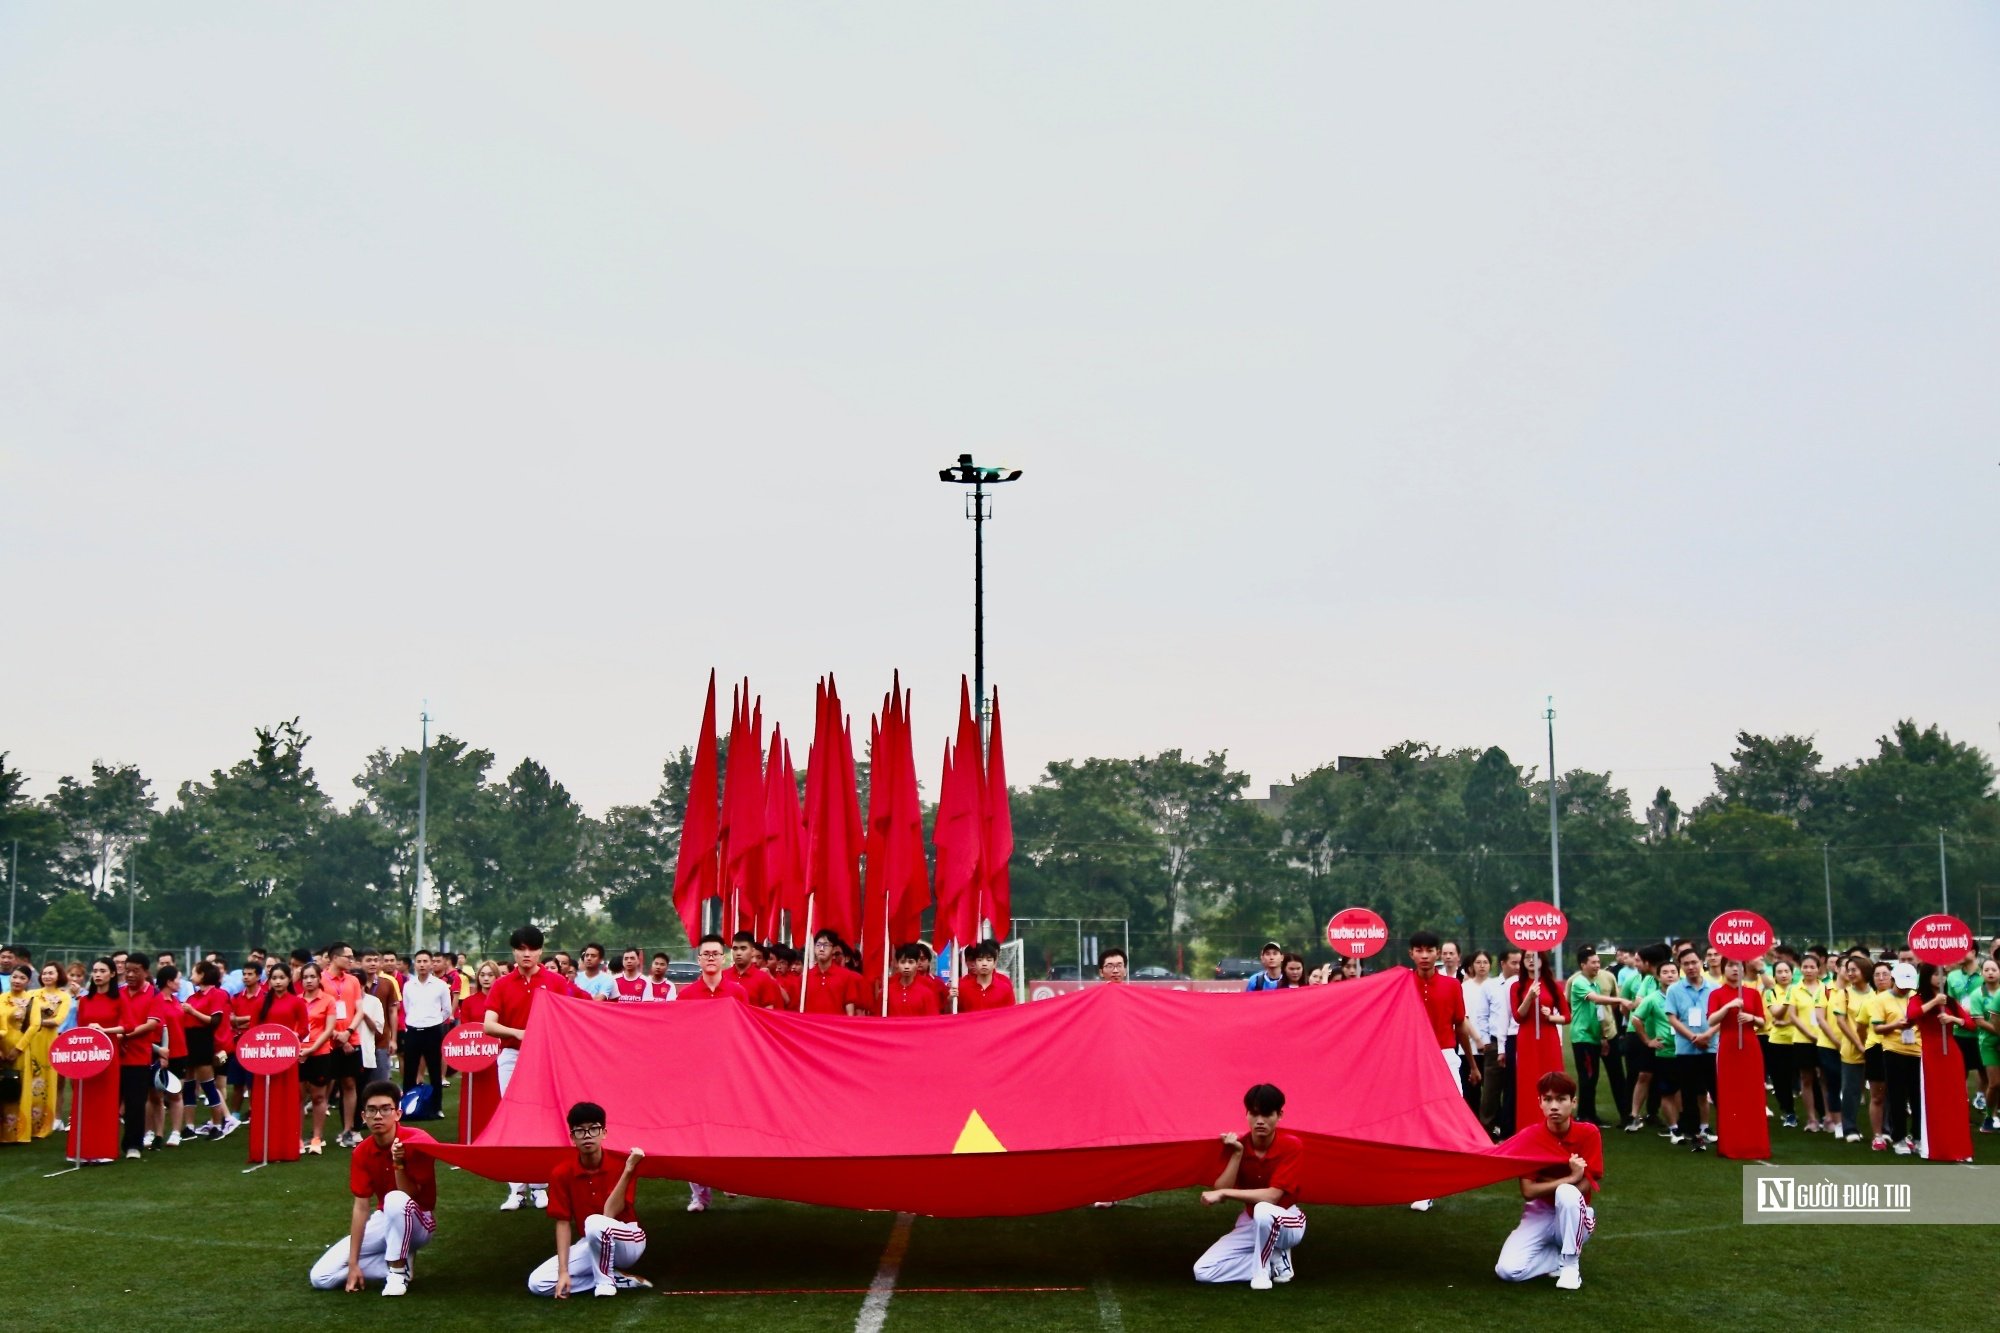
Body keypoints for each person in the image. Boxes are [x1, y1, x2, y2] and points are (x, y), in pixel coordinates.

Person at [308, 1080, 439, 1296]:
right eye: (372, 1110)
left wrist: (399, 1163)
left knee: (394, 1200)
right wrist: (352, 1265)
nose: (378, 1116)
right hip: (386, 1215)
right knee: (321, 1277)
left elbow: (412, 1195)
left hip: (420, 1220)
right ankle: (399, 1263)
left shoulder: (418, 1140)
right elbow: (361, 1208)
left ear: (398, 1113)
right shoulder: (361, 1152)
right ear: (363, 1116)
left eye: (385, 1109)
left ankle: (397, 1273)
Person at [527, 1102, 652, 1298]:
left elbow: (610, 1213)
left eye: (593, 1129)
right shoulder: (561, 1173)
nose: (587, 1135)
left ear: (604, 1133)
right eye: (579, 1131)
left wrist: (628, 1170)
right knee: (538, 1283)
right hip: (593, 1239)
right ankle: (617, 1278)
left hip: (628, 1239)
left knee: (595, 1222)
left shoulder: (622, 1164)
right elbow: (562, 1223)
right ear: (572, 1138)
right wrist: (563, 1273)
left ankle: (605, 1283)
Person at [1493, 1071, 1600, 1291]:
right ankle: (1557, 1258)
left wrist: (1566, 1184)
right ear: (1539, 1103)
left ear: (1573, 1102)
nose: (1554, 1106)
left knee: (1567, 1194)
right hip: (1538, 1213)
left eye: (1561, 1099)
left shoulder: (1589, 1133)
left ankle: (1570, 1266)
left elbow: (1586, 1185)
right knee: (1507, 1271)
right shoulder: (1529, 1137)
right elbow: (1528, 1191)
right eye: (1548, 1099)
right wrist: (1570, 1177)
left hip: (1573, 1215)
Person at [1192, 1083, 1306, 1290]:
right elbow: (1221, 1188)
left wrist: (1224, 1193)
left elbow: (1272, 1197)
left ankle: (1264, 1270)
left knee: (1264, 1209)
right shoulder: (1237, 1144)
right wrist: (1236, 1154)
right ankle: (1272, 1261)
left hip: (1288, 1221)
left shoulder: (1292, 1145)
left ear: (1280, 1115)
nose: (1260, 1121)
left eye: (1267, 1114)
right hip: (1253, 1222)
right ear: (1246, 1115)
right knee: (1203, 1271)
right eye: (1254, 1114)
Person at [485, 926, 562, 1210]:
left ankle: (541, 1185)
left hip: (546, 1057)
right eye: (520, 949)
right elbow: (488, 1025)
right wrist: (518, 1033)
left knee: (543, 1119)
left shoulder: (554, 981)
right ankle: (516, 1189)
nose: (526, 954)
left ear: (540, 951)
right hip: (511, 1056)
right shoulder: (502, 984)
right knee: (513, 1119)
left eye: (531, 948)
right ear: (514, 951)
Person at [1405, 930, 1481, 1212]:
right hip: (1411, 1058)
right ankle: (1424, 1184)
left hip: (1446, 1056)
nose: (1424, 955)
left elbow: (1460, 1024)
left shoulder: (1452, 986)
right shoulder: (1402, 983)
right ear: (1411, 954)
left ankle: (1443, 1175)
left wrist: (1472, 1064)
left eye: (1429, 950)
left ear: (1437, 953)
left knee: (1449, 1117)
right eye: (1419, 950)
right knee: (1416, 1119)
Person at [1907, 961, 1972, 1162]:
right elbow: (1911, 1016)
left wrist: (1953, 1020)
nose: (1940, 978)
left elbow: (1970, 1024)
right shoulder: (1918, 999)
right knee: (1933, 1099)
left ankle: (1960, 1148)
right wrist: (1935, 1003)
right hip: (1930, 1053)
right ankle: (1932, 1147)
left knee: (1956, 1099)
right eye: (1936, 974)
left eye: (1943, 974)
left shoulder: (1950, 1001)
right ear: (1927, 977)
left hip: (1951, 1053)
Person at [1708, 957, 1769, 1159]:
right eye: (1731, 966)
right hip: (1728, 1046)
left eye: (1738, 966)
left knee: (1752, 1094)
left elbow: (1763, 1022)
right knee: (1729, 1094)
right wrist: (1728, 1007)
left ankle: (1755, 1144)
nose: (1735, 969)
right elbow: (1711, 1020)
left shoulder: (1752, 993)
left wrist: (1752, 1018)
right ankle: (1730, 1144)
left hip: (1751, 1046)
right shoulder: (1716, 993)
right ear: (1724, 969)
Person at [247, 962, 308, 1166]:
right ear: (269, 980)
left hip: (286, 1059)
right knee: (264, 1103)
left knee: (286, 1103)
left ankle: (285, 1150)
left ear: (289, 979)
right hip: (264, 1059)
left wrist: (290, 1038)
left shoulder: (297, 1002)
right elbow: (253, 1031)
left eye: (282, 978)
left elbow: (304, 1029)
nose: (278, 982)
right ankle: (262, 1150)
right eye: (274, 978)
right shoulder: (260, 1003)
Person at [1510, 950, 1567, 1145]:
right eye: (1527, 958)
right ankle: (1527, 1132)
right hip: (1527, 1040)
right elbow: (1518, 1016)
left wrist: (1550, 1016)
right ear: (1523, 962)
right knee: (1528, 1083)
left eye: (1535, 957)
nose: (1531, 961)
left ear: (1542, 960)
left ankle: (1556, 1129)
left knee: (1553, 1082)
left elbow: (1567, 1017)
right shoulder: (1517, 986)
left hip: (1548, 1039)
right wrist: (1529, 998)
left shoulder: (1553, 986)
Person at [68, 959, 122, 1163]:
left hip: (109, 1054)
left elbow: (126, 1026)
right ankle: (80, 1150)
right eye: (95, 971)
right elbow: (79, 1028)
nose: (98, 974)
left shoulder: (119, 999)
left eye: (103, 971)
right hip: (87, 1055)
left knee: (105, 1103)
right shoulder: (84, 1000)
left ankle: (104, 1150)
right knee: (84, 1102)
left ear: (112, 974)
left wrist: (104, 1030)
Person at [1665, 948, 1719, 1150]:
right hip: (1686, 1050)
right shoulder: (1674, 990)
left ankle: (1721, 1132)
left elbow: (1722, 1018)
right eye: (1686, 963)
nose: (1691, 967)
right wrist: (1693, 1037)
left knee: (1715, 1092)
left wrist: (1707, 1035)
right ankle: (1695, 1135)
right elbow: (1672, 1017)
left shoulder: (1714, 988)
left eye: (1694, 962)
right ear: (1681, 967)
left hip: (1711, 1048)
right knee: (1688, 1094)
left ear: (1701, 962)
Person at [112, 954, 162, 1160]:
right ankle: (106, 1144)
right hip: (115, 1057)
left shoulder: (154, 994)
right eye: (127, 970)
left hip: (139, 1058)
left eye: (136, 971)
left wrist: (125, 1034)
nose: (130, 975)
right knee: (111, 1102)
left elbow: (151, 1024)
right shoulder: (118, 993)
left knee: (135, 1103)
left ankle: (134, 1144)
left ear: (146, 972)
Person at [178, 960, 233, 1139]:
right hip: (191, 1040)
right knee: (188, 1085)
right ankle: (189, 1126)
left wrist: (193, 1012)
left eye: (194, 973)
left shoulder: (218, 994)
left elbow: (214, 1021)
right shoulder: (193, 997)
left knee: (208, 1084)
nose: (191, 976)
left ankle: (217, 1125)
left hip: (206, 1041)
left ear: (202, 975)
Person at [1564, 948, 1618, 1126]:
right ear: (1583, 965)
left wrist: (1603, 1036)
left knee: (1592, 1077)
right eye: (1593, 962)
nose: (1597, 965)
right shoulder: (1579, 982)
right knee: (1587, 1077)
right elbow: (1597, 1000)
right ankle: (1583, 1116)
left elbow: (1599, 1013)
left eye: (1598, 962)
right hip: (1582, 1038)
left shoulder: (1593, 983)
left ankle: (1590, 1115)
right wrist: (1621, 1001)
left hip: (1593, 1037)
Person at [1871, 961, 1921, 1153]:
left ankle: (1917, 1136)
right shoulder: (1881, 1000)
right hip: (1893, 1051)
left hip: (1916, 1050)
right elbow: (1877, 1027)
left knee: (1917, 1096)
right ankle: (1898, 1137)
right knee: (1897, 1096)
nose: (1905, 988)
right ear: (1893, 980)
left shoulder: (1916, 997)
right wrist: (1896, 1026)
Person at [320, 943, 365, 1149]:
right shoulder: (320, 979)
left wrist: (348, 1033)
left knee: (349, 1084)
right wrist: (337, 1035)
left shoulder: (353, 980)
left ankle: (348, 1129)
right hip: (325, 1041)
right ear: (334, 958)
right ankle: (316, 1134)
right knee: (319, 1087)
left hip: (349, 1040)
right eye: (348, 956)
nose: (351, 960)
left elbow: (359, 1010)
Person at [1628, 958, 1679, 1136]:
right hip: (1663, 1050)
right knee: (1654, 1081)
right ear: (1658, 977)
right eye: (1665, 972)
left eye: (1673, 972)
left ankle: (1681, 1123)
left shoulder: (1685, 995)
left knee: (1684, 1088)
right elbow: (1636, 1018)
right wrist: (1648, 1040)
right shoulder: (1653, 998)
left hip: (1685, 1049)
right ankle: (1635, 1116)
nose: (1670, 975)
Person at [22, 962, 72, 1139]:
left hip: (49, 1042)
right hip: (30, 1040)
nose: (47, 976)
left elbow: (58, 1020)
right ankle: (25, 1123)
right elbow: (22, 1017)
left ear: (59, 975)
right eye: (44, 973)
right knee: (28, 1080)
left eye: (51, 973)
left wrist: (36, 1022)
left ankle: (44, 1124)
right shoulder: (31, 994)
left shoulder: (64, 997)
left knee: (47, 1082)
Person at [456, 961, 503, 1144]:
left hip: (497, 1058)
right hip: (474, 1056)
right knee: (473, 1099)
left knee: (495, 1097)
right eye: (482, 974)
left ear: (496, 977)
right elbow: (463, 1030)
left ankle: (495, 1137)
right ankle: (471, 1136)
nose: (486, 978)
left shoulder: (502, 999)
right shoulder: (469, 1002)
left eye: (490, 975)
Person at [1477, 949, 1520, 1136]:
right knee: (1491, 1092)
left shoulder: (1524, 986)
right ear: (1503, 963)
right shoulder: (1491, 986)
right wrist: (1486, 1043)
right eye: (1513, 963)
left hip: (1517, 1043)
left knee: (1514, 1089)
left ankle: (1511, 1129)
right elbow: (1482, 1016)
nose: (1518, 967)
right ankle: (1485, 1132)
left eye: (1520, 963)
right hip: (1494, 1045)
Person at [400, 950, 453, 1099]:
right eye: (419, 961)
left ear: (431, 964)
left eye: (425, 961)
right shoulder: (408, 986)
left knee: (435, 1071)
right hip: (412, 1031)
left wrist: (433, 1021)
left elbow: (447, 1010)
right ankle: (408, 1106)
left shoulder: (441, 985)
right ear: (415, 964)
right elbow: (407, 1007)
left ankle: (436, 1106)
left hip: (433, 1032)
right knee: (410, 1071)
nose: (422, 965)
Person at [802, 931, 864, 1015]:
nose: (821, 949)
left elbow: (850, 1008)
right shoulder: (805, 976)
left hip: (835, 1026)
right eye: (818, 945)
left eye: (826, 945)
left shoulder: (846, 976)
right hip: (811, 1026)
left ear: (834, 949)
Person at [1971, 956, 2000, 1133]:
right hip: (1988, 1043)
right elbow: (1979, 1021)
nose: (1990, 973)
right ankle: (1989, 1117)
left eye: (1994, 969)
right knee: (1995, 1083)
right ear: (1981, 973)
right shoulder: (1977, 994)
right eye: (1986, 970)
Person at [881, 943, 943, 1016]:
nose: (906, 966)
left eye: (911, 962)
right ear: (897, 964)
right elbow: (878, 1019)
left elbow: (932, 1020)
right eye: (902, 962)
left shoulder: (927, 993)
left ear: (917, 964)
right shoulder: (886, 992)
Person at [955, 940, 1016, 1012]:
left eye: (989, 960)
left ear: (995, 963)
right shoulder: (962, 988)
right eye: (980, 960)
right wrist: (950, 1000)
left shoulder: (1005, 989)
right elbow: (954, 1015)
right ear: (975, 962)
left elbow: (1012, 1015)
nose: (984, 963)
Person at [728, 932, 784, 1009]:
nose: (738, 953)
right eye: (735, 948)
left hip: (751, 1020)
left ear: (752, 951)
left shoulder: (763, 978)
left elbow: (768, 1010)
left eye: (743, 948)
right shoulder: (722, 976)